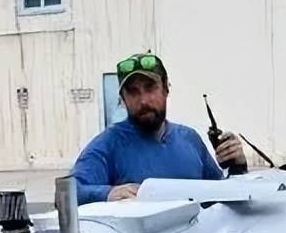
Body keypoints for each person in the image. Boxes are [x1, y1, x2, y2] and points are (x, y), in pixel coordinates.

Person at [70, 52, 246, 204]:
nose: (143, 101)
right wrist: (107, 193)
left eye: (150, 88)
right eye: (133, 92)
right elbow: (69, 193)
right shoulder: (109, 144)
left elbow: (220, 197)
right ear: (122, 98)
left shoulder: (189, 139)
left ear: (166, 89)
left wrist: (237, 166)